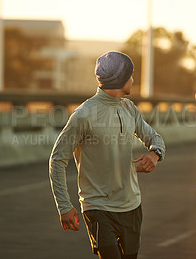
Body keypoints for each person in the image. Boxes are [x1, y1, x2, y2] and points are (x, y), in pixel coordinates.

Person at [49, 51, 165, 259]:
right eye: (130, 75)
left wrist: (155, 154)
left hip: (131, 205)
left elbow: (155, 138)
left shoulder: (130, 108)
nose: (133, 79)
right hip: (97, 207)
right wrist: (64, 206)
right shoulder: (84, 114)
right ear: (121, 79)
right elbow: (57, 159)